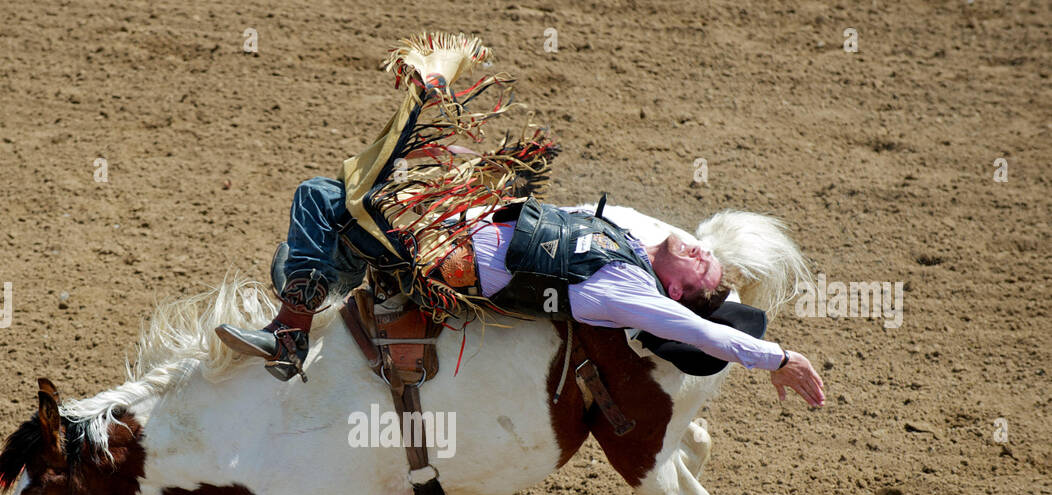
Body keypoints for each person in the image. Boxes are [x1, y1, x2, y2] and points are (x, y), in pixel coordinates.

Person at [215, 33, 825, 407]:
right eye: (701, 249)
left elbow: (706, 335)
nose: (695, 249)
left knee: (326, 196)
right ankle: (312, 297)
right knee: (356, 186)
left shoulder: (625, 290)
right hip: (459, 219)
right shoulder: (625, 243)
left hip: (446, 258)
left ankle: (291, 331)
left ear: (674, 292)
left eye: (700, 264)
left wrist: (776, 358)